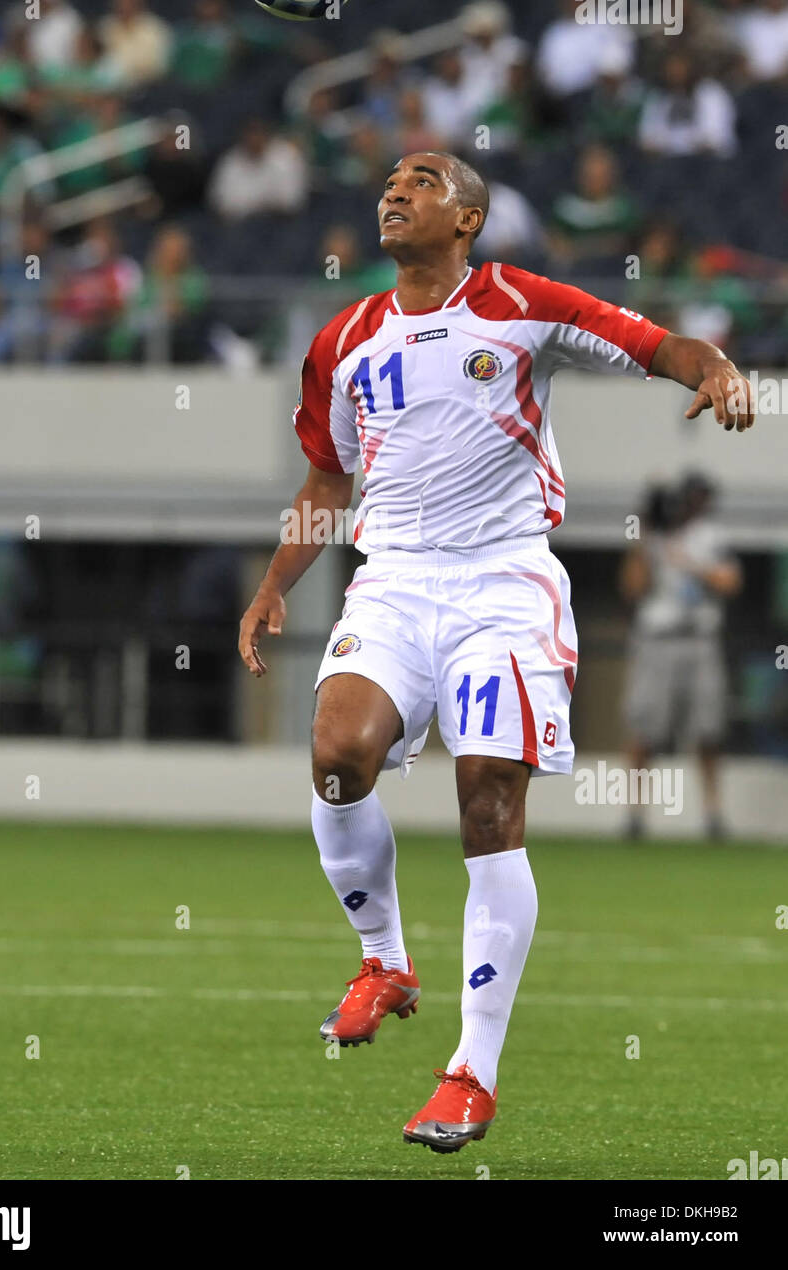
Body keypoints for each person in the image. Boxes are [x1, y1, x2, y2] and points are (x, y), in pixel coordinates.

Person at [237, 151, 754, 1153]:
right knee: (338, 753)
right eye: (390, 180)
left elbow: (657, 344)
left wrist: (717, 367)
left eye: (424, 180)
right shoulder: (341, 339)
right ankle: (383, 960)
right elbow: (325, 482)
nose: (397, 190)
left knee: (488, 803)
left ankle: (470, 1071)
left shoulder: (523, 302)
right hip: (389, 578)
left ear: (467, 220)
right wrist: (273, 584)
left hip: (502, 582)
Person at [620, 475, 742, 841]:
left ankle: (713, 814)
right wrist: (643, 536)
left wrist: (690, 564)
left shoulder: (711, 536)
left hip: (700, 640)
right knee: (644, 729)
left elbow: (729, 583)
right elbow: (632, 587)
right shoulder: (652, 538)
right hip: (658, 641)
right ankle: (635, 816)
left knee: (708, 730)